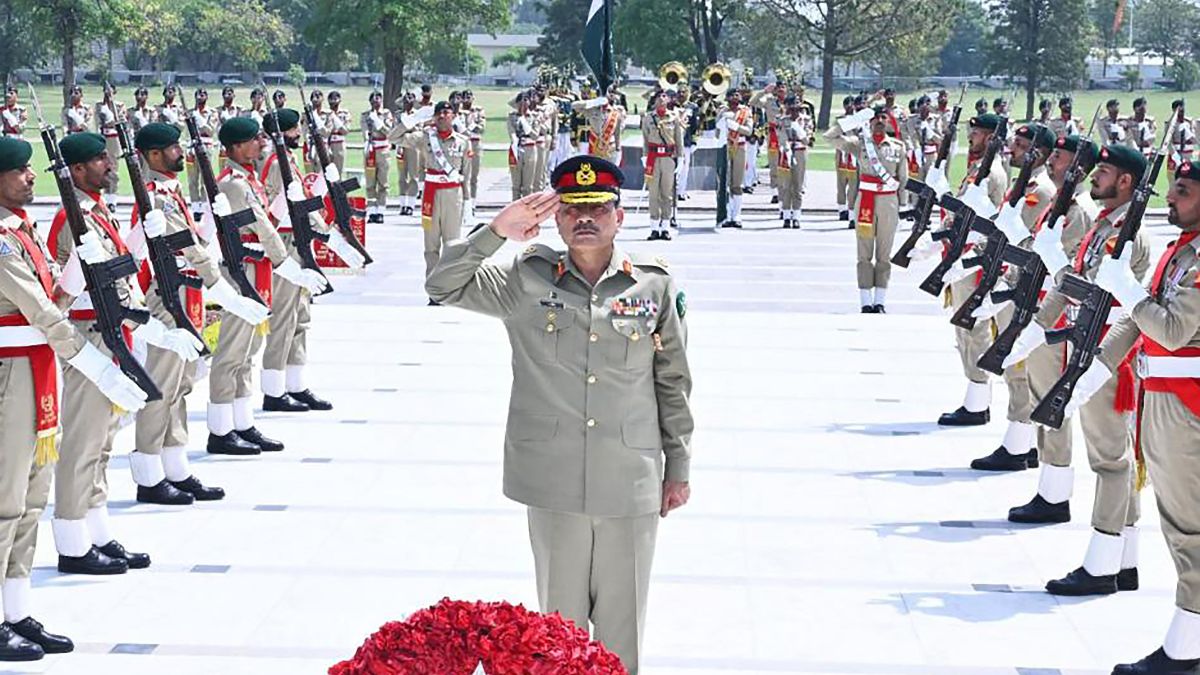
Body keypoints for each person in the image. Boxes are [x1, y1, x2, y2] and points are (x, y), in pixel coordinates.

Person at [426, 155, 693, 675]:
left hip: (628, 477)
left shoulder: (653, 285)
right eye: (571, 209)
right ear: (556, 218)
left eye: (598, 208)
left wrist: (677, 468)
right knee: (557, 634)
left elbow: (673, 380)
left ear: (619, 216)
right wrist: (496, 232)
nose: (584, 218)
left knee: (621, 631)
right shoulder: (525, 279)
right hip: (552, 478)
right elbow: (442, 285)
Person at [0, 136, 138, 660]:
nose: (29, 177)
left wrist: (75, 278)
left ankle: (15, 611)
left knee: (31, 500)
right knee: (5, 502)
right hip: (13, 374)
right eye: (18, 170)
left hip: (38, 370)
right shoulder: (2, 241)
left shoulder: (23, 231)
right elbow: (39, 310)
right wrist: (92, 362)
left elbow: (51, 299)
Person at [47, 133, 201, 575]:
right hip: (89, 335)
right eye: (99, 159)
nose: (109, 164)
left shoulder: (97, 212)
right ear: (76, 170)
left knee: (102, 441)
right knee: (83, 442)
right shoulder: (71, 217)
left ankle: (96, 534)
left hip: (113, 330)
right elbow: (61, 293)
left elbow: (119, 269)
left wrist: (138, 237)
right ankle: (73, 542)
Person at [1003, 144, 1152, 597]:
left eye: (1103, 170)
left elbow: (1103, 293)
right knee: (1111, 458)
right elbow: (1074, 285)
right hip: (1086, 344)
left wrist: (1057, 267)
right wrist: (1036, 328)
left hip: (1108, 355)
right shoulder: (1105, 226)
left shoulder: (1127, 235)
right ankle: (1123, 562)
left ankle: (1104, 564)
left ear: (1125, 181)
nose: (1094, 176)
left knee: (1110, 461)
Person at [1079, 158, 1200, 674]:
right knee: (1179, 525)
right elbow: (1138, 317)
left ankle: (1187, 650)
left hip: (1186, 406)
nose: (1170, 197)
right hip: (1163, 399)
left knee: (1190, 528)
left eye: (1183, 190)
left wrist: (1127, 289)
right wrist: (1096, 367)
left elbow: (1170, 331)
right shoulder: (1181, 251)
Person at [128, 122, 269, 503]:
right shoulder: (155, 198)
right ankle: (150, 476)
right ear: (154, 155)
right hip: (167, 296)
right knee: (162, 388)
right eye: (173, 148)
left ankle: (175, 468)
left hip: (184, 292)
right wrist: (228, 295)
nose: (181, 152)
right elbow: (191, 252)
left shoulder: (169, 192)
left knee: (180, 386)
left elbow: (195, 242)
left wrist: (211, 220)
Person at [206, 116, 327, 455]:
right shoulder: (234, 184)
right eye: (253, 139)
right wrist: (289, 268)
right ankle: (220, 430)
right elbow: (263, 228)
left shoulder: (248, 179)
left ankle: (242, 423)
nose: (261, 143)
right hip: (242, 270)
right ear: (235, 147)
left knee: (247, 353)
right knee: (231, 354)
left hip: (256, 270)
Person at [1001, 134, 1098, 513]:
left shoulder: (1079, 211)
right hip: (1041, 306)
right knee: (1040, 397)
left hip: (1055, 318)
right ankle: (1048, 486)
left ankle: (1055, 495)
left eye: (1060, 156)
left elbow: (1065, 270)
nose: (1051, 160)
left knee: (1050, 403)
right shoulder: (1060, 204)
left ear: (1078, 168)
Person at [966, 124, 1057, 471]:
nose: (1012, 149)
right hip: (1011, 282)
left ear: (1039, 153)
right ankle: (1024, 441)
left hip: (1022, 288)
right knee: (1014, 369)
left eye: (1021, 145)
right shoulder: (1025, 185)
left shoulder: (1041, 191)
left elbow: (1025, 241)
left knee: (1018, 369)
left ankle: (1018, 446)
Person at [258, 109, 357, 412]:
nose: (299, 133)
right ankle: (274, 391)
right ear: (282, 133)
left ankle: (295, 384)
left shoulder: (288, 161)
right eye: (294, 129)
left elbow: (302, 201)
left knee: (300, 317)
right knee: (284, 318)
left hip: (298, 239)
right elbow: (276, 210)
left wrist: (322, 188)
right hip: (285, 242)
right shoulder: (277, 164)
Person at [937, 113, 1009, 425]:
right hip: (963, 255)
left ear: (992, 138)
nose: (971, 137)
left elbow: (984, 217)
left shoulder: (990, 172)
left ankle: (978, 403)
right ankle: (975, 397)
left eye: (977, 133)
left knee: (973, 329)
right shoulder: (978, 168)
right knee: (964, 330)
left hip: (975, 257)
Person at [825, 104, 907, 313]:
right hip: (866, 201)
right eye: (875, 118)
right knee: (864, 253)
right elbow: (830, 137)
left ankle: (880, 300)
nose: (879, 121)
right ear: (869, 122)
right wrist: (851, 121)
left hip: (888, 202)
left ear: (888, 121)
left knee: (884, 254)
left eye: (883, 117)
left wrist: (903, 207)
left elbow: (903, 178)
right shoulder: (860, 144)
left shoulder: (898, 147)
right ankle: (865, 301)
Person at [418, 101, 468, 279]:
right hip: (431, 194)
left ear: (453, 116)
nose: (442, 116)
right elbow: (394, 138)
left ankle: (448, 284)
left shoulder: (462, 142)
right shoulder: (425, 138)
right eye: (438, 113)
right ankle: (432, 283)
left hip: (453, 195)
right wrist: (411, 120)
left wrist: (468, 203)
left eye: (446, 113)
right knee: (430, 245)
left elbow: (466, 174)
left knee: (452, 244)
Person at [642, 91, 683, 241]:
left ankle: (665, 227)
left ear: (668, 100)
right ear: (655, 101)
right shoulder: (648, 118)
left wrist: (680, 158)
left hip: (668, 158)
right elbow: (645, 138)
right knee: (653, 194)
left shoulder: (673, 117)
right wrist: (644, 156)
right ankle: (654, 228)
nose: (661, 99)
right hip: (653, 158)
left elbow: (678, 139)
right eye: (659, 97)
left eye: (664, 96)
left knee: (667, 194)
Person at [718, 89, 754, 229]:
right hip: (725, 147)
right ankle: (726, 215)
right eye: (732, 95)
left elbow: (749, 131)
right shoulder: (722, 111)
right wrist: (722, 121)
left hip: (739, 147)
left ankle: (736, 215)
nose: (735, 97)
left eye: (737, 95)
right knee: (725, 183)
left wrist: (737, 127)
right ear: (727, 98)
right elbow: (716, 129)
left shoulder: (745, 111)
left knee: (737, 183)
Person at [778, 96, 814, 229]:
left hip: (800, 152)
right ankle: (786, 216)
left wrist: (798, 129)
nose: (794, 108)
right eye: (792, 105)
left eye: (797, 105)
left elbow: (807, 139)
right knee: (786, 185)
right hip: (786, 153)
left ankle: (797, 216)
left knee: (798, 185)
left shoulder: (806, 120)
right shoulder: (783, 120)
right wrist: (786, 147)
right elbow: (781, 137)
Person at [361, 91, 394, 224]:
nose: (376, 101)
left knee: (383, 183)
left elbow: (389, 132)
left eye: (378, 98)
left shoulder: (386, 114)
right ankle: (372, 211)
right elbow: (364, 131)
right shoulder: (365, 115)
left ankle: (380, 211)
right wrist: (367, 140)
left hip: (383, 151)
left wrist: (378, 122)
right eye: (373, 99)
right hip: (371, 149)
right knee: (370, 183)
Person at [188, 88, 220, 220]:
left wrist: (199, 119)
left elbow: (210, 131)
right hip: (191, 147)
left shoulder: (212, 113)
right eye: (198, 94)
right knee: (192, 180)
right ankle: (196, 209)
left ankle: (205, 207)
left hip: (206, 147)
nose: (200, 97)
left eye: (203, 94)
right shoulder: (190, 112)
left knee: (205, 179)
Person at [92, 87, 123, 211]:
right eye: (106, 90)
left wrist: (111, 105)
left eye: (110, 90)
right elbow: (97, 121)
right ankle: (103, 199)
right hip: (103, 137)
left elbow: (119, 121)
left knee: (113, 169)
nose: (107, 93)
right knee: (101, 169)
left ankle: (112, 200)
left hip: (114, 138)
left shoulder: (118, 106)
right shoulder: (99, 106)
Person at [508, 92, 539, 201]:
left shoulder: (534, 116)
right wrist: (515, 141)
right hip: (516, 148)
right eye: (521, 101)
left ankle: (527, 206)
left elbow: (535, 135)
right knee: (516, 185)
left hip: (530, 149)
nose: (523, 104)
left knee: (528, 185)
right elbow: (511, 132)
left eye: (526, 100)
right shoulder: (512, 117)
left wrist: (525, 123)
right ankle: (515, 205)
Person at [835, 96, 859, 223]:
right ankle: (841, 208)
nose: (850, 106)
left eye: (852, 104)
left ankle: (851, 211)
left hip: (853, 153)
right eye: (847, 104)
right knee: (841, 183)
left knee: (854, 184)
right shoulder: (839, 120)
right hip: (842, 153)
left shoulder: (858, 120)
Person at [325, 90, 351, 175]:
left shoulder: (345, 113)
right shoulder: (325, 113)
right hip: (327, 143)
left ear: (340, 100)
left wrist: (335, 120)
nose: (333, 101)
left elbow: (346, 130)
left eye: (335, 99)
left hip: (339, 143)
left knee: (338, 171)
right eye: (331, 99)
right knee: (326, 170)